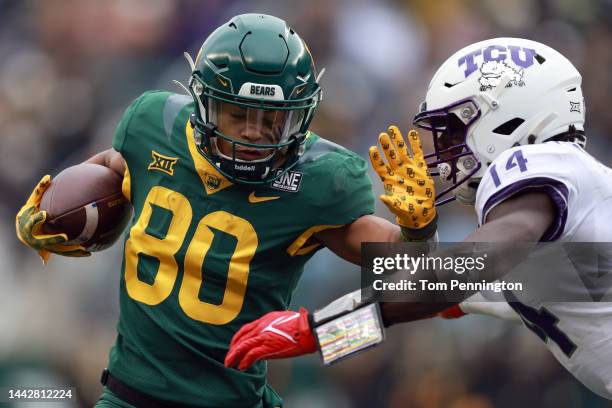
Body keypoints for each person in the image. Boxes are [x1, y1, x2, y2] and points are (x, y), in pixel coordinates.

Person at [15, 14, 438, 407]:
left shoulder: (319, 181)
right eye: (237, 115)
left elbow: (430, 285)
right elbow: (116, 163)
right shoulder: (154, 126)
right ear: (202, 104)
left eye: (271, 119)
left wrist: (419, 230)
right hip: (131, 394)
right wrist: (53, 203)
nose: (253, 133)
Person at [225, 37, 612, 400]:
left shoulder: (543, 161)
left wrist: (310, 329)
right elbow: (422, 298)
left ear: (509, 120)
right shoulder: (547, 251)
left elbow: (470, 267)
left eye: (454, 129)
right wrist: (323, 337)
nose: (443, 149)